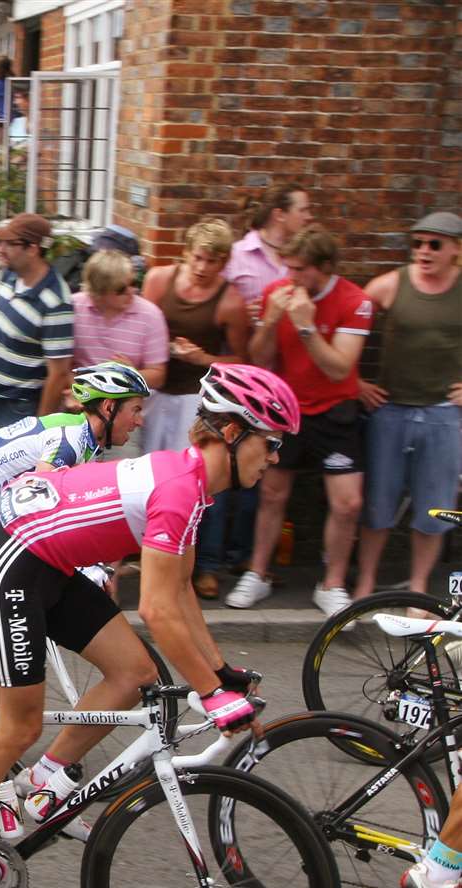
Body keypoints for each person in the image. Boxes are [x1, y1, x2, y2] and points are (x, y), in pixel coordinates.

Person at [0, 365, 299, 888]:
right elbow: (158, 610)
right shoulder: (179, 490)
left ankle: (43, 787)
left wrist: (222, 673)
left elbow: (182, 593)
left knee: (135, 673)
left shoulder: (193, 486)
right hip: (14, 566)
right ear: (234, 434)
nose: (276, 457)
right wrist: (212, 695)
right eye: (272, 442)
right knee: (17, 724)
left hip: (52, 564)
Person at [227, 226, 372, 616]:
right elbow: (260, 358)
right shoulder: (279, 292)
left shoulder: (355, 301)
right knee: (272, 494)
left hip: (334, 411)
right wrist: (272, 321)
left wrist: (306, 326)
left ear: (323, 268)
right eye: (287, 267)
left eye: (300, 270)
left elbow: (340, 369)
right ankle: (257, 573)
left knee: (347, 503)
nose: (290, 277)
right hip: (285, 408)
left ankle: (332, 584)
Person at [0, 362, 150, 584]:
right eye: (136, 410)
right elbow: (40, 510)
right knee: (1, 593)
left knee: (15, 600)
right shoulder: (70, 440)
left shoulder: (86, 441)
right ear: (109, 407)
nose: (140, 421)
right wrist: (85, 566)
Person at [140, 218, 254, 598]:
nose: (204, 268)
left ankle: (205, 564)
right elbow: (140, 325)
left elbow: (243, 360)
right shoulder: (158, 281)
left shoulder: (230, 301)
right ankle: (149, 556)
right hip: (155, 391)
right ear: (186, 252)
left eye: (215, 261)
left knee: (204, 483)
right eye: (199, 258)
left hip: (198, 396)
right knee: (148, 479)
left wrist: (201, 356)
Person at [354, 210, 462, 601]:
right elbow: (344, 327)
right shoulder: (389, 286)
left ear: (456, 250)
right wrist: (355, 382)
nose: (424, 251)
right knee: (378, 503)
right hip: (391, 410)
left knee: (434, 510)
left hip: (443, 414)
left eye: (435, 244)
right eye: (418, 243)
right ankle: (365, 584)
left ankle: (418, 590)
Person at [0, 213, 75, 431]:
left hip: (18, 410)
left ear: (32, 249)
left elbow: (58, 374)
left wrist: (38, 431)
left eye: (9, 244)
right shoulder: (9, 276)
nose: (0, 249)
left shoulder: (55, 302)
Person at [72, 250, 169, 399]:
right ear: (99, 292)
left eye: (132, 283)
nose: (131, 291)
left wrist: (130, 374)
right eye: (121, 289)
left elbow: (158, 376)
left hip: (125, 409)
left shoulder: (150, 316)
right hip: (78, 400)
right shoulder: (73, 307)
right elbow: (61, 366)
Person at [225, 185, 314, 319]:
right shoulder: (236, 254)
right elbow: (212, 304)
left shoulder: (308, 255)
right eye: (302, 210)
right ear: (280, 215)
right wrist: (240, 314)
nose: (309, 217)